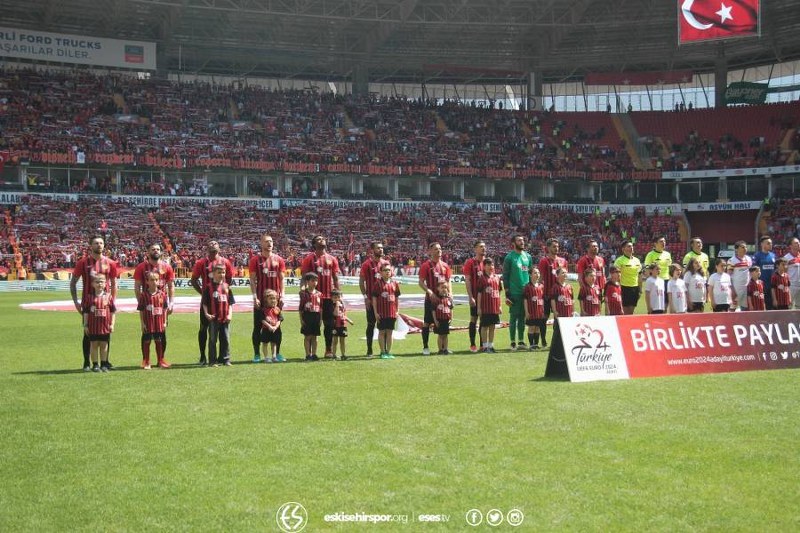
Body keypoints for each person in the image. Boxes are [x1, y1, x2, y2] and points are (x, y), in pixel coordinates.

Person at [70, 235, 119, 371]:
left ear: (104, 245)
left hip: (105, 304)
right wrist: (76, 302)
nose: (99, 245)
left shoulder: (110, 263)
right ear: (90, 246)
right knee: (88, 333)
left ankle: (105, 362)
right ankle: (87, 363)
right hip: (88, 304)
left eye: (101, 243)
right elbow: (73, 282)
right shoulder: (83, 263)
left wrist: (112, 301)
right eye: (96, 243)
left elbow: (114, 284)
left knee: (106, 332)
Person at [191, 240, 235, 365]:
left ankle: (223, 358)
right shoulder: (201, 263)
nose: (213, 245)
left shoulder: (225, 262)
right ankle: (203, 356)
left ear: (219, 249)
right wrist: (204, 293)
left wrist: (223, 290)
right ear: (206, 248)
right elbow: (193, 280)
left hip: (222, 303)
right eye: (210, 244)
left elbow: (230, 278)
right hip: (207, 302)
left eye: (215, 244)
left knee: (223, 332)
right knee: (203, 329)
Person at [300, 235, 340, 358]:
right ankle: (311, 353)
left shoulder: (332, 259)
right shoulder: (309, 259)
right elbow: (304, 277)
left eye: (323, 238)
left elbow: (335, 278)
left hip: (328, 297)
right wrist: (302, 290)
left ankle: (328, 350)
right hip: (313, 297)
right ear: (314, 244)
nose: (322, 240)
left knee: (329, 324)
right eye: (318, 239)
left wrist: (338, 295)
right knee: (313, 326)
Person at [249, 234, 286, 363]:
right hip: (260, 299)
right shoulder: (255, 260)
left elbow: (282, 279)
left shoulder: (279, 259)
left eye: (271, 241)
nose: (269, 243)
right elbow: (252, 280)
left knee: (277, 326)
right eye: (266, 241)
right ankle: (257, 354)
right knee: (257, 326)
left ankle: (277, 353)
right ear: (261, 244)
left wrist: (283, 294)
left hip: (275, 300)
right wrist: (254, 297)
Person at [133, 242, 175, 354]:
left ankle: (161, 359)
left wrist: (171, 303)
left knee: (162, 331)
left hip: (162, 305)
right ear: (148, 252)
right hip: (147, 305)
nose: (155, 251)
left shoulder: (167, 266)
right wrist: (141, 303)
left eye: (157, 249)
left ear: (161, 252)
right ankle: (145, 360)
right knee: (146, 331)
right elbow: (137, 287)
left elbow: (171, 286)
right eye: (153, 249)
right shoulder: (141, 267)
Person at [418, 242, 451, 356]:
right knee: (427, 323)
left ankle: (443, 348)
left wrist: (450, 293)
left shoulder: (445, 266)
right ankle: (425, 347)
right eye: (436, 249)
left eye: (440, 248)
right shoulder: (426, 265)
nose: (439, 251)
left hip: (443, 300)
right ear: (430, 251)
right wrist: (429, 291)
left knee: (443, 323)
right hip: (431, 300)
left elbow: (448, 281)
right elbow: (421, 282)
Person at [359, 241, 391, 357]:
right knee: (371, 324)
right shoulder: (367, 264)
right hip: (372, 301)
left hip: (385, 301)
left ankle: (385, 350)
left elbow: (390, 280)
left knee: (386, 327)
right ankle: (369, 349)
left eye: (382, 248)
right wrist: (366, 297)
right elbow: (362, 282)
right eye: (378, 248)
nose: (381, 250)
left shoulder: (386, 263)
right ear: (372, 250)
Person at [201, 263, 235, 367]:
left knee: (225, 339)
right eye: (219, 272)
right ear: (213, 274)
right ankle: (212, 361)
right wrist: (206, 314)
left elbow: (230, 303)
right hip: (214, 318)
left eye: (223, 272)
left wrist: (230, 315)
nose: (222, 274)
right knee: (212, 340)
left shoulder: (227, 287)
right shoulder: (208, 287)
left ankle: (225, 359)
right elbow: (205, 303)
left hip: (225, 319)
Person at [82, 274, 116, 373]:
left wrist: (112, 324)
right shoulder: (89, 298)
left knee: (104, 345)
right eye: (97, 282)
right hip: (93, 326)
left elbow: (113, 311)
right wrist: (85, 325)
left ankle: (104, 364)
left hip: (104, 327)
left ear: (105, 284)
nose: (99, 284)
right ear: (93, 284)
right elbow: (86, 312)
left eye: (101, 282)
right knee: (93, 345)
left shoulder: (109, 297)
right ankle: (95, 364)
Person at [138, 271, 171, 370]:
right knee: (146, 341)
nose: (154, 282)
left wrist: (165, 321)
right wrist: (142, 323)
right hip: (148, 322)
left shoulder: (162, 295)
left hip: (159, 322)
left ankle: (160, 361)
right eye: (151, 280)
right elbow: (141, 310)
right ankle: (146, 362)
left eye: (156, 280)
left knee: (159, 341)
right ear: (147, 281)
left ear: (159, 281)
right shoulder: (143, 295)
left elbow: (165, 309)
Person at [534, 237, 563, 348]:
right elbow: (540, 278)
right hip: (546, 295)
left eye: (557, 246)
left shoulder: (562, 261)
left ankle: (556, 341)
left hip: (559, 296)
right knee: (544, 317)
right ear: (548, 248)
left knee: (558, 318)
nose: (556, 248)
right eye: (554, 247)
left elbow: (564, 277)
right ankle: (543, 340)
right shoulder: (544, 261)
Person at [544, 268, 573, 378]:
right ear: (557, 275)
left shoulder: (569, 287)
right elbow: (552, 300)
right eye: (562, 273)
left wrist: (573, 310)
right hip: (560, 315)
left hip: (569, 315)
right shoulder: (555, 287)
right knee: (557, 334)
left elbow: (571, 299)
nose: (565, 274)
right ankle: (555, 352)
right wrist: (555, 311)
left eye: (566, 272)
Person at [462, 240, 487, 353]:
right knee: (474, 318)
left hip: (486, 298)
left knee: (484, 320)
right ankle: (472, 344)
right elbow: (468, 280)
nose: (483, 248)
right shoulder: (470, 262)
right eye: (481, 247)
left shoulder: (487, 262)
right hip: (476, 297)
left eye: (484, 246)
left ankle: (483, 344)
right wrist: (470, 296)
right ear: (475, 249)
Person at [372, 264, 401, 359]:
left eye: (389, 270)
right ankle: (382, 352)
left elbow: (396, 298)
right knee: (381, 332)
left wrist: (397, 311)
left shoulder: (395, 283)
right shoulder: (378, 284)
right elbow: (374, 299)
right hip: (381, 312)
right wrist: (375, 312)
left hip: (392, 313)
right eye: (385, 270)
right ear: (381, 272)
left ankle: (388, 352)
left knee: (390, 332)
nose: (387, 271)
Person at [477, 258, 503, 353]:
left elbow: (499, 292)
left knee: (492, 327)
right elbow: (479, 294)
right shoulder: (482, 279)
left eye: (492, 265)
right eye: (488, 265)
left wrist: (499, 306)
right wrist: (479, 308)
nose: (491, 267)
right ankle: (484, 346)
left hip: (494, 307)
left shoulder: (497, 278)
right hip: (485, 308)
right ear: (484, 266)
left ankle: (491, 346)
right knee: (484, 327)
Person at [613, 240, 642, 315]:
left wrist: (640, 289)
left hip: (635, 288)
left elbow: (639, 275)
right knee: (624, 311)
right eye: (629, 246)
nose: (631, 248)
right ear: (623, 249)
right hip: (624, 287)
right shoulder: (619, 261)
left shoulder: (637, 260)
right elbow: (615, 276)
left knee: (631, 311)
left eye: (632, 246)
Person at [299, 272, 322, 361]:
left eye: (316, 280)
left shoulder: (319, 294)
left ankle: (314, 354)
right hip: (307, 316)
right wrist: (301, 319)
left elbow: (321, 308)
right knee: (307, 336)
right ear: (307, 282)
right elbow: (301, 308)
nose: (315, 282)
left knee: (315, 337)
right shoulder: (303, 294)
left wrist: (320, 319)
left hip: (316, 316)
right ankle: (308, 354)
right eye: (312, 281)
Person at [644, 236, 672, 307]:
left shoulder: (667, 254)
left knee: (666, 303)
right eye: (661, 241)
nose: (664, 243)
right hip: (656, 282)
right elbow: (647, 270)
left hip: (666, 281)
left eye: (664, 241)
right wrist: (651, 281)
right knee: (656, 303)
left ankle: (663, 317)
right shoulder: (650, 255)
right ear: (655, 243)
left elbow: (670, 268)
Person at [523, 267, 545, 350]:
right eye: (535, 273)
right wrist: (526, 311)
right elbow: (525, 300)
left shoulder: (541, 286)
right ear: (530, 275)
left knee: (538, 327)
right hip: (531, 311)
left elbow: (542, 299)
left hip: (539, 311)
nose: (537, 274)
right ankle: (531, 345)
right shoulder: (527, 287)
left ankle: (536, 344)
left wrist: (543, 310)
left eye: (538, 273)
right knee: (532, 327)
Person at [260, 289, 284, 363]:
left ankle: (274, 356)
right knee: (265, 343)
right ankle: (266, 357)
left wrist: (275, 327)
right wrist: (269, 326)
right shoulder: (263, 310)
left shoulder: (277, 309)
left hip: (275, 329)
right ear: (266, 299)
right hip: (266, 329)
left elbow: (280, 319)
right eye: (271, 298)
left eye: (274, 298)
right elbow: (262, 320)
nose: (273, 300)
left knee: (274, 343)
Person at [728, 240, 753, 311]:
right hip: (736, 289)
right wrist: (732, 290)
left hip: (746, 289)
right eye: (743, 247)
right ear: (736, 249)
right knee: (732, 308)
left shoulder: (749, 259)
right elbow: (728, 277)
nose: (745, 249)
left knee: (745, 309)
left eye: (746, 247)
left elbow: (750, 273)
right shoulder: (732, 260)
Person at [753, 236, 776, 309]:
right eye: (768, 243)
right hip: (761, 286)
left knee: (772, 306)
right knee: (761, 306)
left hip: (772, 286)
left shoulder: (773, 255)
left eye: (771, 243)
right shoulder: (757, 256)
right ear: (762, 244)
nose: (770, 245)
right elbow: (753, 271)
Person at [330, 289, 354, 361]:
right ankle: (334, 355)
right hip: (335, 326)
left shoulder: (342, 305)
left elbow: (342, 315)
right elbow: (336, 314)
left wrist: (349, 320)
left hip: (343, 325)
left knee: (342, 341)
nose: (337, 299)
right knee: (335, 341)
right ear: (332, 298)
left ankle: (343, 354)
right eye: (335, 297)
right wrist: (337, 306)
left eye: (338, 297)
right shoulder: (332, 305)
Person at [434, 281, 454, 355]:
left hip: (446, 320)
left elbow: (451, 309)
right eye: (442, 287)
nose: (444, 289)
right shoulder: (436, 299)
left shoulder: (449, 299)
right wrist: (435, 320)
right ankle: (440, 350)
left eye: (445, 287)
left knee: (445, 335)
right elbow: (433, 311)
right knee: (440, 335)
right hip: (439, 320)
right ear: (438, 288)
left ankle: (445, 349)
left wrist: (451, 318)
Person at [782, 237, 800, 308]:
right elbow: (783, 273)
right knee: (789, 306)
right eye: (796, 243)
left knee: (799, 307)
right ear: (790, 246)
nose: (798, 244)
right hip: (791, 286)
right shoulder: (786, 258)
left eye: (799, 242)